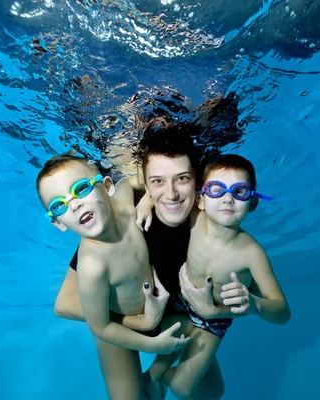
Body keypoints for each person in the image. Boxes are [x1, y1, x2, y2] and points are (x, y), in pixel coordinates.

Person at [53, 122, 232, 399]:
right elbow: (65, 304)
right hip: (120, 321)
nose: (171, 194)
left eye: (183, 179)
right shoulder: (119, 223)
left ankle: (156, 379)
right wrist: (139, 322)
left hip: (172, 317)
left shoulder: (211, 217)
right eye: (157, 182)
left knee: (212, 390)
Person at [36, 153, 193, 398]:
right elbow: (101, 326)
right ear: (58, 223)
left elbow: (129, 182)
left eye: (80, 189)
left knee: (198, 326)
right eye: (59, 204)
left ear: (106, 187)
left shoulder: (123, 204)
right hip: (116, 329)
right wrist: (151, 341)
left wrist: (148, 200)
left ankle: (154, 377)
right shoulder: (92, 266)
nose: (74, 204)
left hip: (159, 314)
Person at [142, 154, 291, 399]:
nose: (228, 198)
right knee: (189, 380)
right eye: (216, 189)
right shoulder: (195, 218)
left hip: (212, 322)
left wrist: (253, 304)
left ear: (252, 202)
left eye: (240, 191)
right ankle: (152, 378)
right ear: (200, 199)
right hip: (178, 304)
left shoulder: (252, 253)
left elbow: (283, 313)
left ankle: (157, 378)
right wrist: (144, 203)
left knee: (196, 390)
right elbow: (165, 194)